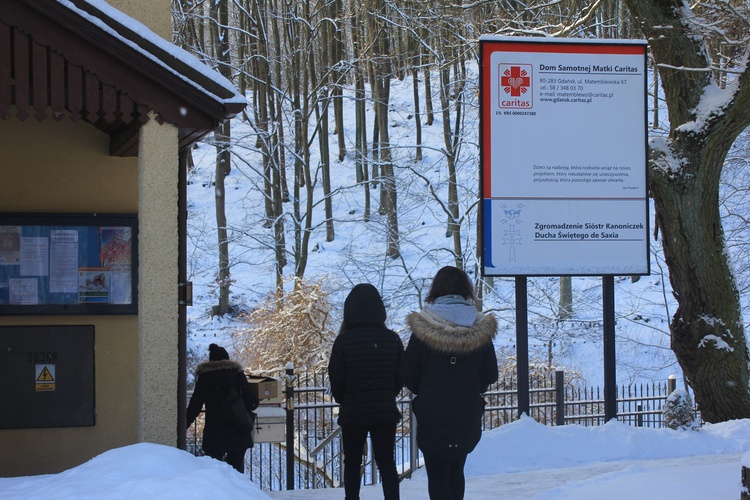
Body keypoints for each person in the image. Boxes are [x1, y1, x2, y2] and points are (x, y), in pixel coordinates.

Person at [401, 266, 498, 500]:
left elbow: (408, 373)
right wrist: (471, 389)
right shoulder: (480, 327)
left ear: (436, 290)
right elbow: (490, 373)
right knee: (457, 471)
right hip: (466, 411)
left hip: (432, 411)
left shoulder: (422, 329)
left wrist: (425, 391)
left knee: (436, 474)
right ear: (466, 290)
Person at [328, 283, 404, 500]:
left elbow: (337, 379)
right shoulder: (392, 339)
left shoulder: (343, 341)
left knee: (352, 463)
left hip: (353, 412)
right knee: (387, 463)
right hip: (384, 410)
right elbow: (400, 376)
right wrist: (387, 394)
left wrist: (347, 400)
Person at [186, 343, 259, 473]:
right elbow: (252, 403)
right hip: (238, 431)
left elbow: (194, 407)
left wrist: (182, 426)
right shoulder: (237, 375)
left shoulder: (205, 378)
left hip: (215, 434)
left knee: (214, 475)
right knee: (237, 476)